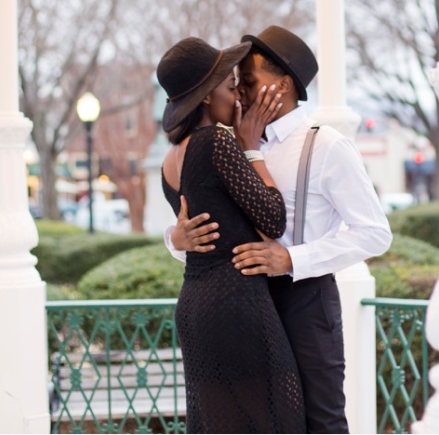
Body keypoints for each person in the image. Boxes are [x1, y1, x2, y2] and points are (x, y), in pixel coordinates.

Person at [166, 25, 393, 434]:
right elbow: (214, 233)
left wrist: (291, 258)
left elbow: (375, 232)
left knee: (321, 422)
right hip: (250, 307)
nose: (241, 91)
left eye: (249, 81)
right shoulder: (237, 143)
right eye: (238, 84)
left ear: (284, 84)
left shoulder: (326, 146)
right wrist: (175, 240)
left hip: (305, 301)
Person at [156, 36, 306, 434]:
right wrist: (252, 148)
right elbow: (273, 221)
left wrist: (174, 237)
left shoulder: (170, 159)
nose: (236, 97)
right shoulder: (218, 141)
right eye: (227, 87)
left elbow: (201, 227)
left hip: (195, 306)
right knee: (277, 415)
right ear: (206, 97)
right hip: (236, 303)